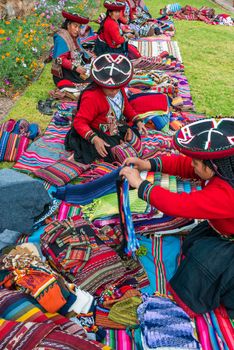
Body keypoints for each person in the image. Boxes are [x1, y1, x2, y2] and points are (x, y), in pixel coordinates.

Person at [120, 118, 234, 317]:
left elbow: (179, 204)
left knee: (199, 270)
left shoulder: (226, 195)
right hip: (222, 230)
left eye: (197, 162)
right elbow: (186, 166)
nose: (192, 165)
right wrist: (148, 163)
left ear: (212, 167)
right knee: (194, 244)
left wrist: (141, 184)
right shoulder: (224, 169)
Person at [65, 53, 147, 164]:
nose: (114, 91)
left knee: (134, 135)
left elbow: (126, 106)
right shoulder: (91, 97)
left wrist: (138, 121)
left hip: (114, 127)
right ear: (100, 84)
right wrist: (95, 139)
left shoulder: (118, 88)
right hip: (96, 132)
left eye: (116, 88)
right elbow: (79, 122)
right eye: (110, 89)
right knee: (113, 153)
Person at [52, 10, 93, 87]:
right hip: (64, 74)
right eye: (75, 26)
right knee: (93, 81)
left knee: (95, 74)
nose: (77, 30)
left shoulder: (74, 36)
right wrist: (75, 67)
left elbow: (78, 51)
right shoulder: (61, 37)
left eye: (79, 27)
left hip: (73, 70)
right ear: (68, 25)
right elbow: (58, 59)